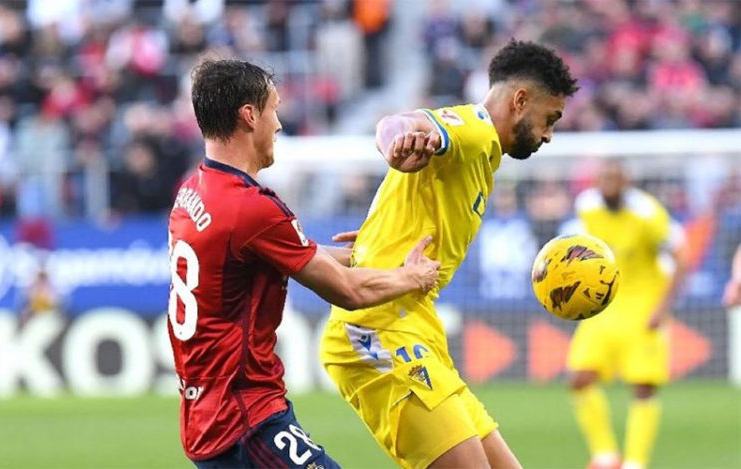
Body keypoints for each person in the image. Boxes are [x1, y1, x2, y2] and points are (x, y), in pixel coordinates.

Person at [167, 58, 441, 469]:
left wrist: (366, 253)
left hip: (208, 412)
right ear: (249, 115)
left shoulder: (195, 190)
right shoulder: (250, 208)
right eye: (274, 109)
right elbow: (349, 292)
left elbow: (289, 253)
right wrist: (413, 277)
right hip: (244, 417)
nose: (278, 124)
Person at [320, 39, 579, 469]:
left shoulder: (483, 161)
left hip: (420, 332)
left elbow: (381, 246)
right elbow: (399, 123)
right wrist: (395, 144)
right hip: (378, 333)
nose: (549, 135)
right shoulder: (473, 131)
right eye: (549, 119)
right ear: (519, 100)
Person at [566, 160, 687, 469]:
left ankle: (635, 462)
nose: (608, 184)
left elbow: (681, 258)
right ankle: (605, 454)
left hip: (643, 305)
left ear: (626, 182)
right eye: (603, 178)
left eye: (614, 178)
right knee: (579, 378)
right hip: (604, 306)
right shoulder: (587, 207)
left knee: (643, 386)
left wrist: (662, 308)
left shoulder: (648, 213)